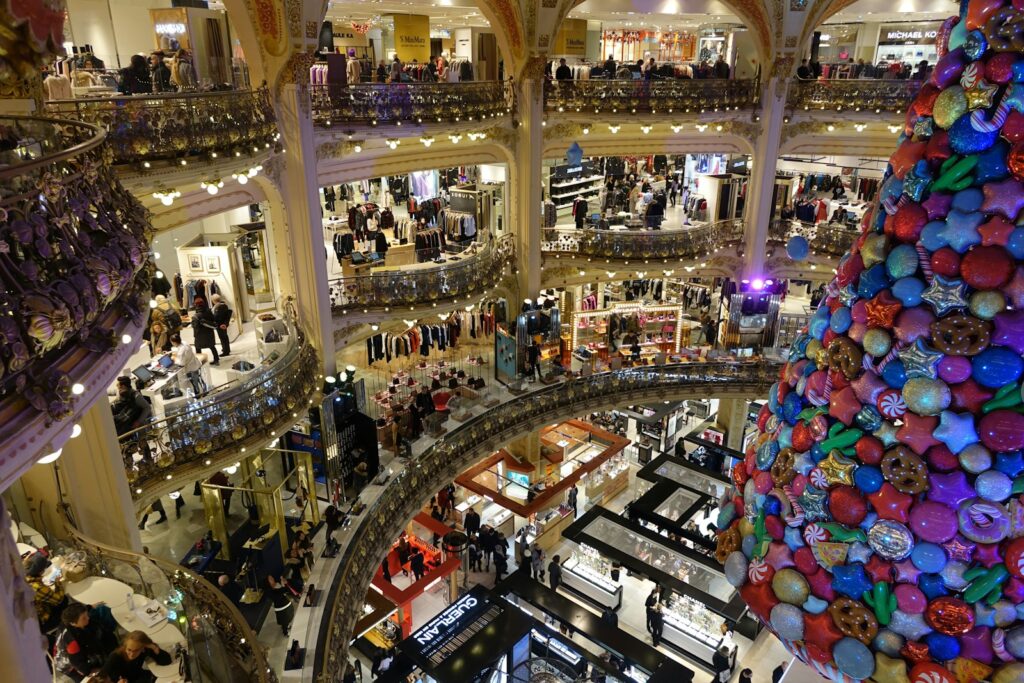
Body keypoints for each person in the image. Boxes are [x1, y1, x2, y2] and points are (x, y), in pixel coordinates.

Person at [54, 603, 113, 682]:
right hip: (69, 666)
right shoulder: (72, 642)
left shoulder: (68, 619)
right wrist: (90, 671)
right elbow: (77, 663)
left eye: (86, 615)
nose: (88, 618)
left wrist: (90, 607)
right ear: (73, 623)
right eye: (84, 618)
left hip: (76, 654)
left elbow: (79, 613)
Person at [99, 631, 172, 683]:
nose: (131, 654)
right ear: (125, 646)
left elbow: (166, 661)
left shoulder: (144, 650)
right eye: (129, 650)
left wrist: (154, 647)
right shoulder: (115, 657)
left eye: (136, 650)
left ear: (143, 648)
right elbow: (100, 678)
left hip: (139, 677)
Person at [24, 552, 66, 632]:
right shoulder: (36, 587)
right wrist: (58, 583)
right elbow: (59, 599)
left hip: (28, 616)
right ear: (41, 572)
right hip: (41, 622)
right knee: (64, 600)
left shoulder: (24, 576)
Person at [170, 332, 205, 396]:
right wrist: (171, 352)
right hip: (195, 364)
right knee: (199, 380)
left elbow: (182, 363)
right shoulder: (184, 343)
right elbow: (180, 350)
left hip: (191, 368)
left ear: (174, 342)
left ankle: (198, 396)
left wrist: (173, 360)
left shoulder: (182, 351)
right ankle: (204, 391)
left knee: (195, 383)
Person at [191, 297, 219, 365]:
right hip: (209, 332)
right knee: (212, 346)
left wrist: (195, 334)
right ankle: (216, 360)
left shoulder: (196, 315)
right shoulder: (209, 311)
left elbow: (195, 326)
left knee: (198, 348)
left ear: (196, 305)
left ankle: (199, 362)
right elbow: (213, 320)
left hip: (200, 334)